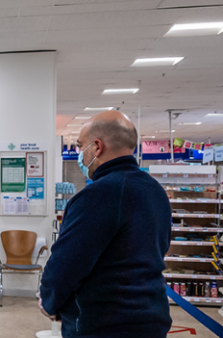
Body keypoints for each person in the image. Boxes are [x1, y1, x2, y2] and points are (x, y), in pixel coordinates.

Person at [39, 111, 172, 337]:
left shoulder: (98, 195)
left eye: (81, 146)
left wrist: (48, 302)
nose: (80, 154)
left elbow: (67, 263)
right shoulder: (155, 191)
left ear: (97, 147)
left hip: (103, 324)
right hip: (151, 318)